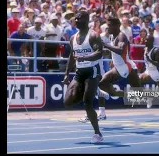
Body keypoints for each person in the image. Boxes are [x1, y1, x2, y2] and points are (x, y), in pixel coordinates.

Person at [61, 10, 104, 143]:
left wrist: (84, 57)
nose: (76, 21)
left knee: (87, 103)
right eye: (75, 19)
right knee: (67, 102)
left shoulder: (93, 35)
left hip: (93, 71)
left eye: (78, 19)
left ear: (85, 20)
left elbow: (99, 52)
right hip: (80, 72)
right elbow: (71, 57)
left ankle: (98, 134)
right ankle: (93, 92)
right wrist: (67, 73)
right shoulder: (73, 38)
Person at [98, 17, 142, 97]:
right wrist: (103, 53)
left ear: (117, 26)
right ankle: (125, 95)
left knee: (139, 93)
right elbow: (114, 51)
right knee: (102, 84)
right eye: (107, 25)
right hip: (119, 67)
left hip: (126, 67)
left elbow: (120, 50)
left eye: (110, 25)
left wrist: (105, 45)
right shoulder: (112, 36)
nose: (107, 28)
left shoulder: (121, 36)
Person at [139, 34, 159, 109]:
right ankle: (148, 97)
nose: (145, 41)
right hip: (148, 70)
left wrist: (150, 60)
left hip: (156, 72)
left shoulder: (155, 51)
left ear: (151, 41)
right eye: (145, 39)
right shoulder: (145, 48)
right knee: (138, 81)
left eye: (147, 40)